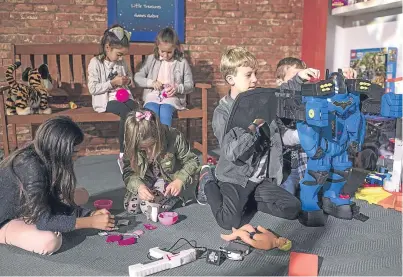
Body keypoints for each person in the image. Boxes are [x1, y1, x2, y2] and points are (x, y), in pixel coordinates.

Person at [195, 47, 301, 230]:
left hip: (260, 177)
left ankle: (247, 200)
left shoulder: (261, 101)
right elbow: (232, 153)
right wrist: (255, 126)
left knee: (292, 209)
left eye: (255, 74)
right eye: (248, 75)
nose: (255, 79)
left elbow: (280, 95)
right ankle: (207, 180)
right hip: (234, 176)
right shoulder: (223, 113)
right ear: (231, 79)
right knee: (229, 222)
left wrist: (299, 79)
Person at [0, 116, 115, 255]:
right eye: (74, 152)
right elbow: (44, 221)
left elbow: (52, 200)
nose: (78, 156)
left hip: (26, 208)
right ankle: (8, 233)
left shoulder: (45, 155)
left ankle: (28, 222)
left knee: (81, 194)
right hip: (5, 219)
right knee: (50, 241)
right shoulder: (30, 165)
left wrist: (88, 213)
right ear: (61, 150)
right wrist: (90, 222)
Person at [275, 57, 357, 195]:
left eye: (304, 80)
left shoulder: (310, 100)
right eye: (295, 79)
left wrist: (344, 82)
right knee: (287, 199)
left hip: (314, 162)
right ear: (279, 82)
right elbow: (284, 138)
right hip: (288, 165)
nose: (302, 85)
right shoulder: (276, 100)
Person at [121, 109, 199, 216]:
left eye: (151, 146)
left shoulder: (174, 137)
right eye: (143, 149)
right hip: (146, 176)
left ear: (158, 136)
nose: (148, 151)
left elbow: (192, 161)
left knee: (148, 208)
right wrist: (139, 187)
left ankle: (175, 198)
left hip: (168, 179)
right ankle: (160, 197)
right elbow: (128, 171)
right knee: (131, 207)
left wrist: (180, 181)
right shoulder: (131, 143)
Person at [88, 24, 138, 173]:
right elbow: (93, 88)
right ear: (108, 47)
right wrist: (112, 83)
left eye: (123, 55)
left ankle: (136, 150)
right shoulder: (95, 63)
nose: (121, 58)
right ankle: (123, 154)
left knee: (137, 110)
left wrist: (127, 80)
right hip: (106, 100)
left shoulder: (121, 62)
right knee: (126, 112)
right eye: (119, 54)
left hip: (123, 96)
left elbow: (131, 79)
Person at [134, 27, 194, 127]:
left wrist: (177, 88)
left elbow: (190, 85)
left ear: (176, 48)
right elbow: (137, 78)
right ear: (157, 46)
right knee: (151, 110)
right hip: (153, 95)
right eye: (162, 51)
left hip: (171, 97)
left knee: (165, 110)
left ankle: (164, 140)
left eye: (169, 52)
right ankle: (154, 140)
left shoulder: (181, 62)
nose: (165, 55)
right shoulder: (152, 59)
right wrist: (151, 83)